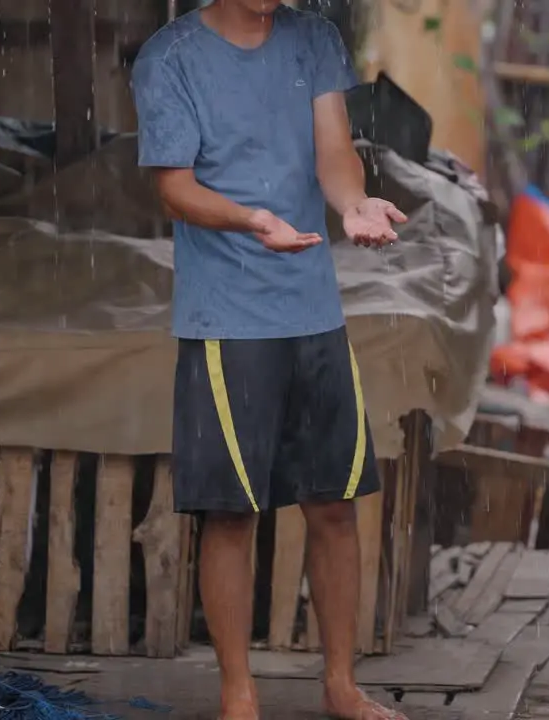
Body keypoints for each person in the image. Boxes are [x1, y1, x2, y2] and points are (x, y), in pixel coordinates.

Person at [131, 1, 408, 719]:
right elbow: (174, 187)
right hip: (227, 315)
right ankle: (239, 695)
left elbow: (333, 153)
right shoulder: (171, 57)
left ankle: (341, 685)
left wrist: (351, 206)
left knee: (335, 505)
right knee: (230, 515)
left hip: (314, 308)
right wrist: (252, 218)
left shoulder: (311, 37)